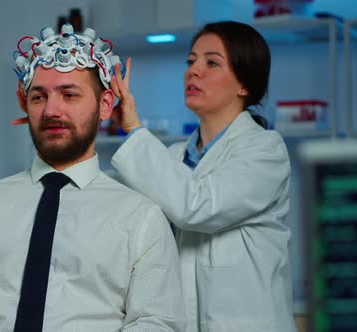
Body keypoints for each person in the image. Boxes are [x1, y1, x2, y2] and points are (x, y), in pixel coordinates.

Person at [0, 24, 186, 331]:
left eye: (69, 95)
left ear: (105, 105)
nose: (51, 110)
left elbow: (156, 322)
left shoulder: (140, 218)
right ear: (24, 104)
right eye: (39, 97)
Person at [109, 21, 296, 331]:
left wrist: (133, 130)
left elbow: (196, 207)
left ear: (244, 85)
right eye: (191, 60)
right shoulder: (172, 158)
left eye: (211, 62)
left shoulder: (265, 151)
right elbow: (110, 201)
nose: (194, 71)